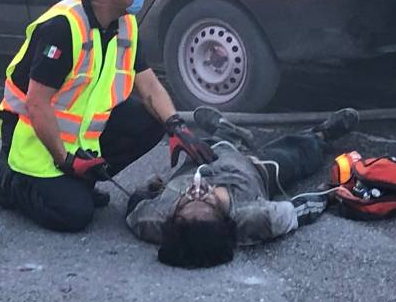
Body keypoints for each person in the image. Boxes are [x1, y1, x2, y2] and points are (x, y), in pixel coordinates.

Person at [0, 0, 216, 231]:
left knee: (151, 120)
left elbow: (147, 84)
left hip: (73, 136)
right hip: (30, 137)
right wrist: (66, 161)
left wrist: (176, 126)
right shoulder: (63, 28)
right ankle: (10, 183)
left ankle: (77, 181)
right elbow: (36, 104)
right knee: (74, 216)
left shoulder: (125, 24)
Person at [125, 107, 360, 268]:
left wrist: (152, 188)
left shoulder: (151, 220)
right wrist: (330, 194)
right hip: (255, 169)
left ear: (172, 218)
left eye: (186, 202)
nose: (198, 192)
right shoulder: (256, 218)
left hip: (199, 157)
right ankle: (322, 134)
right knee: (298, 155)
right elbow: (299, 209)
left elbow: (135, 203)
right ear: (228, 220)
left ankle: (225, 132)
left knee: (205, 143)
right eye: (207, 202)